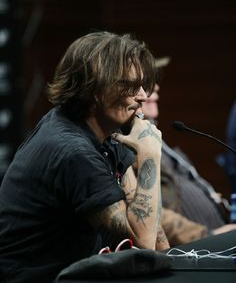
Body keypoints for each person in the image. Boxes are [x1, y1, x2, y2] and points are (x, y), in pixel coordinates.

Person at [0, 31, 169, 283]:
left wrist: (172, 260)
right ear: (95, 90)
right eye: (130, 86)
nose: (143, 95)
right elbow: (141, 250)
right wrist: (149, 156)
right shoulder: (73, 152)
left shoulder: (102, 130)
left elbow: (150, 229)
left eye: (143, 85)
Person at [142, 58, 236, 246]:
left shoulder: (159, 142)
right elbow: (145, 212)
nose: (157, 88)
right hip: (195, 251)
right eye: (146, 83)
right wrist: (207, 235)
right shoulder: (129, 147)